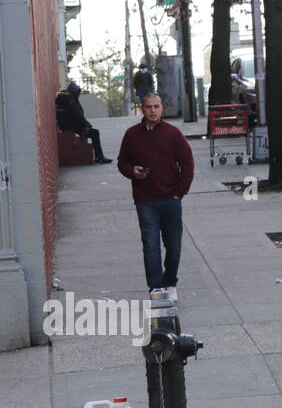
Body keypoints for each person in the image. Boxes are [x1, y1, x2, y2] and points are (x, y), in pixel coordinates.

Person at [116, 92, 195, 290]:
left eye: (156, 106)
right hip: (145, 200)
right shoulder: (132, 134)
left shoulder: (173, 133)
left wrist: (180, 192)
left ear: (162, 108)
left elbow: (187, 163)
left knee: (174, 247)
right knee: (151, 246)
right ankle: (156, 289)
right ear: (142, 109)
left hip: (171, 199)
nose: (153, 111)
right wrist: (132, 172)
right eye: (149, 107)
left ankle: (170, 283)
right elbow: (122, 162)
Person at [54, 81, 111, 164]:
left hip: (67, 125)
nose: (78, 94)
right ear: (74, 91)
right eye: (77, 92)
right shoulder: (69, 98)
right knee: (95, 133)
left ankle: (99, 157)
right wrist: (87, 125)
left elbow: (77, 114)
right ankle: (100, 157)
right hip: (69, 126)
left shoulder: (65, 97)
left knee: (94, 132)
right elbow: (77, 114)